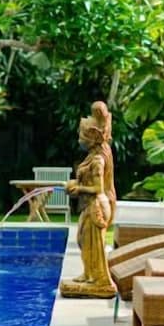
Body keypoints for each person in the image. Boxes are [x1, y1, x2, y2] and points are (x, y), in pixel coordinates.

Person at [59, 104, 117, 298]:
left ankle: (101, 282)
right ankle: (88, 274)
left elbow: (98, 189)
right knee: (83, 241)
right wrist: (75, 184)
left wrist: (79, 189)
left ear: (92, 138)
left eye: (82, 136)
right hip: (91, 205)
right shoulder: (92, 156)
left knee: (94, 244)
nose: (79, 139)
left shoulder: (98, 160)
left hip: (97, 206)